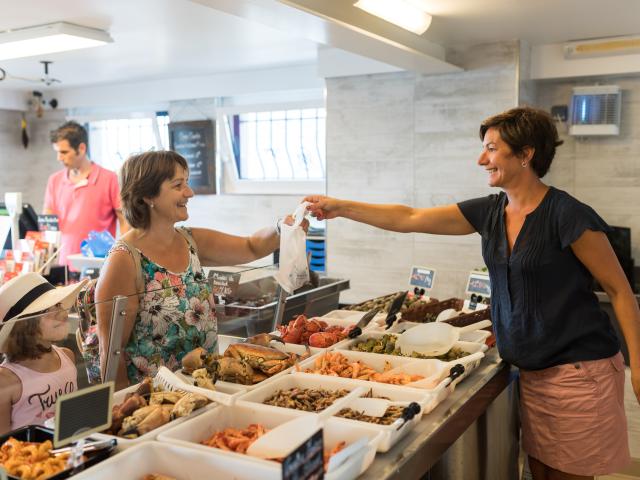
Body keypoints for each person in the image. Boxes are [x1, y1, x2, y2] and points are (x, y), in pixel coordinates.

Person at [304, 106, 640, 480]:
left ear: (526, 154)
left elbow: (620, 290)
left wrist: (639, 366)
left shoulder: (568, 215)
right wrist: (339, 207)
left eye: (492, 149)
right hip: (533, 374)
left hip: (578, 373)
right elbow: (409, 217)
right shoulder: (491, 212)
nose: (482, 159)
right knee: (541, 472)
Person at [95, 150, 305, 389]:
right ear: (146, 195)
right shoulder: (124, 259)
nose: (190, 192)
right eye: (178, 185)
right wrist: (121, 408)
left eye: (187, 182)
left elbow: (251, 246)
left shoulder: (190, 240)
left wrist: (282, 228)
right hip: (156, 400)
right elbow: (111, 353)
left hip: (205, 388)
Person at [0, 273, 87, 434]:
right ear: (23, 324)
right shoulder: (5, 380)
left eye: (59, 305)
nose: (63, 313)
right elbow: (3, 445)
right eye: (48, 310)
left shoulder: (67, 356)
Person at [45, 121, 128, 268]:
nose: (59, 158)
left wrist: (123, 256)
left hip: (98, 266)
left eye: (64, 152)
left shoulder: (109, 179)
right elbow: (48, 222)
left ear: (81, 148)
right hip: (62, 266)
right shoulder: (54, 180)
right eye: (57, 152)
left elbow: (125, 221)